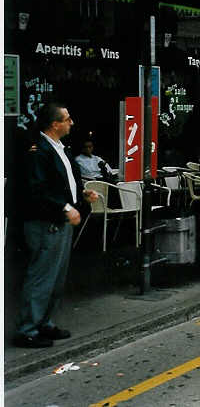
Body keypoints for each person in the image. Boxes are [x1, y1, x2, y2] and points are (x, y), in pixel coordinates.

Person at [14, 102, 99, 348]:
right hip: (45, 223)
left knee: (56, 276)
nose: (71, 123)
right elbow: (37, 189)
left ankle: (44, 322)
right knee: (42, 275)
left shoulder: (60, 148)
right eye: (67, 119)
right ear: (55, 124)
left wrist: (81, 195)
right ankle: (27, 329)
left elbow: (63, 182)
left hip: (59, 220)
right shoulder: (38, 150)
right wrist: (65, 207)